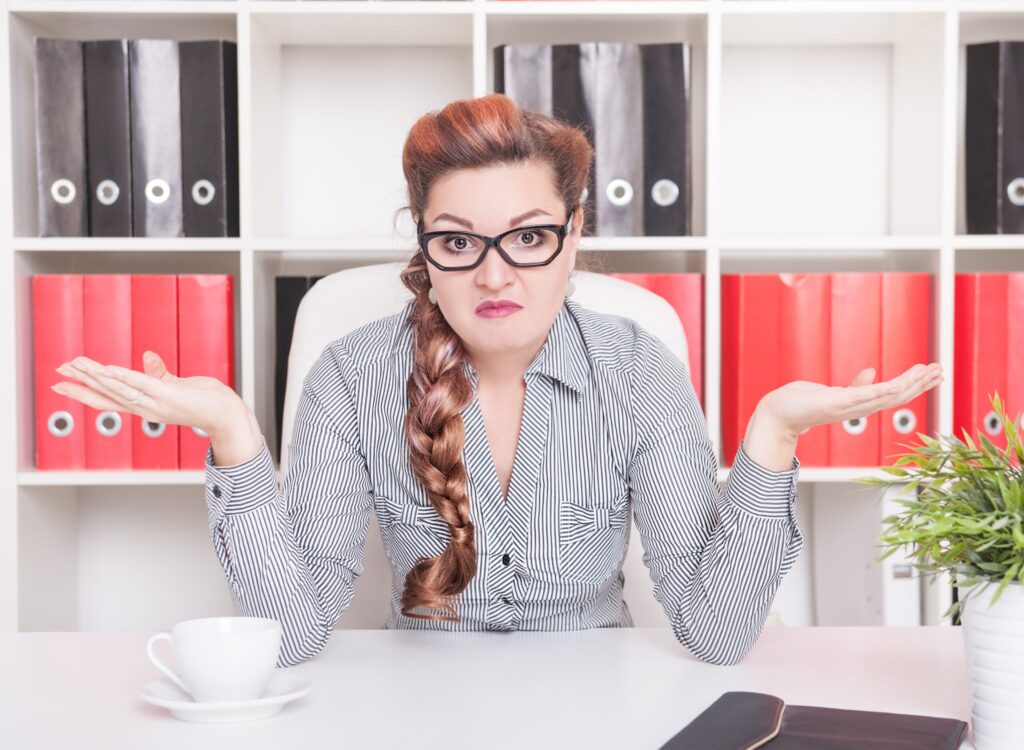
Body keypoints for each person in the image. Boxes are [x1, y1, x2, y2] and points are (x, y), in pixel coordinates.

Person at [51, 94, 944, 669]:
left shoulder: (640, 373)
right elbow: (291, 636)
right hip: (417, 716)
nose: (493, 275)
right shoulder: (350, 376)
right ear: (425, 248)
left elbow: (715, 632)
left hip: (605, 708)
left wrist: (772, 440)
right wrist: (235, 442)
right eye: (457, 241)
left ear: (573, 233)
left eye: (527, 237)